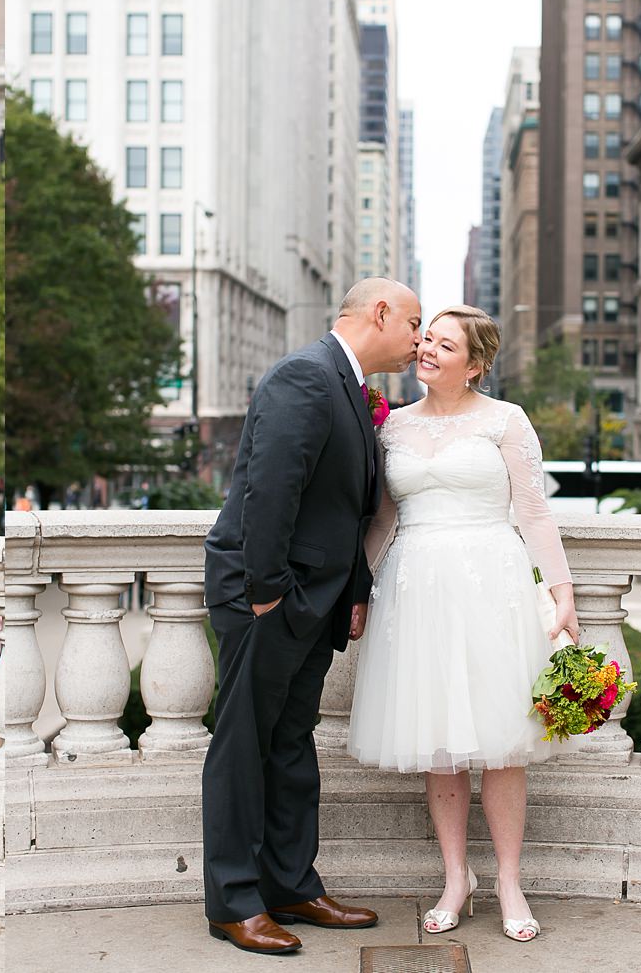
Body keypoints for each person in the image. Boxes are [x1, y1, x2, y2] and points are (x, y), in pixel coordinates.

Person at [201, 277, 422, 956]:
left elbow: (344, 510)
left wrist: (351, 590)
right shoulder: (304, 375)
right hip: (267, 598)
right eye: (413, 323)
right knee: (243, 746)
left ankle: (292, 884)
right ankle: (235, 901)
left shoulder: (345, 385)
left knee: (290, 745)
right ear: (379, 313)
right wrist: (267, 591)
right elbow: (270, 490)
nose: (417, 339)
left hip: (310, 603)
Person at [347, 305, 581, 944]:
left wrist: (562, 592)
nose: (425, 350)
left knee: (503, 745)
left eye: (443, 345)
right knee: (440, 744)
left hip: (492, 586)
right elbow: (383, 520)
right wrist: (357, 590)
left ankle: (508, 879)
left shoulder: (506, 420)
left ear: (474, 364)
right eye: (425, 340)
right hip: (415, 591)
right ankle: (456, 877)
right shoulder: (391, 427)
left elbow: (533, 510)